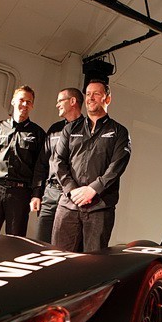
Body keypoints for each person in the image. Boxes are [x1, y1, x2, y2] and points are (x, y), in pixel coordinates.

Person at [51, 79, 131, 252]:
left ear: (107, 99)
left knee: (92, 262)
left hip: (100, 207)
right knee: (59, 259)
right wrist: (72, 190)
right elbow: (58, 161)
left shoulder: (119, 132)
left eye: (96, 94)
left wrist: (93, 189)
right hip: (68, 205)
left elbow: (117, 166)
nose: (90, 98)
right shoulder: (70, 129)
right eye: (88, 94)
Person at [0, 85, 45, 238]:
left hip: (20, 193)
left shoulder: (38, 133)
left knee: (15, 240)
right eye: (21, 100)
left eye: (29, 102)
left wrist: (36, 194)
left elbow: (40, 167)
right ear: (13, 101)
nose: (25, 104)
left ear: (32, 105)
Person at [31, 87, 84, 243]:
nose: (57, 105)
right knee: (41, 243)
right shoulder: (54, 129)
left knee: (63, 245)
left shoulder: (88, 129)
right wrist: (36, 193)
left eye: (60, 100)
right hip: (50, 192)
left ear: (73, 101)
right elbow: (42, 163)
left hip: (71, 195)